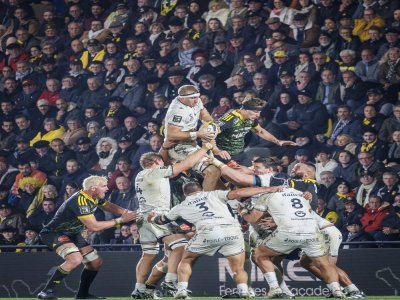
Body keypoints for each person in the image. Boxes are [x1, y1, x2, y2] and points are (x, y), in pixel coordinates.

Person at [147, 182, 282, 299]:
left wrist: (152, 218)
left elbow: (161, 220)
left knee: (187, 259)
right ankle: (244, 291)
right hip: (232, 231)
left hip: (207, 231)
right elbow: (239, 192)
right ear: (201, 190)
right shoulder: (214, 194)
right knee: (238, 267)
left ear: (185, 194)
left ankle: (181, 290)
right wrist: (268, 189)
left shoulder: (180, 206)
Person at [37, 175, 137, 300]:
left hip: (73, 233)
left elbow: (107, 205)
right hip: (54, 233)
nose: (107, 188)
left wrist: (125, 212)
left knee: (95, 262)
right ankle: (46, 292)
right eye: (104, 186)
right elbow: (94, 227)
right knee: (75, 259)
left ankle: (82, 295)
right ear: (93, 188)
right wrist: (121, 219)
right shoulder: (80, 200)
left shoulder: (93, 196)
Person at [131, 145, 212, 299]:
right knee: (181, 246)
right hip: (156, 216)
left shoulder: (140, 175)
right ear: (156, 161)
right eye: (163, 163)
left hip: (143, 218)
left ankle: (139, 289)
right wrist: (205, 148)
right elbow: (185, 165)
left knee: (148, 254)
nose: (166, 165)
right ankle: (170, 281)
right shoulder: (154, 173)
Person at [240, 187, 346, 298]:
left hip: (290, 232)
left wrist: (242, 213)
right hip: (312, 231)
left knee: (259, 255)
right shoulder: (300, 193)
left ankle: (275, 289)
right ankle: (337, 291)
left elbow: (253, 218)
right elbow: (307, 210)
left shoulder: (267, 195)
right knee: (325, 264)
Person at [163, 84, 221, 190]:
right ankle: (207, 202)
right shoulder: (177, 111)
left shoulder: (196, 100)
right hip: (178, 147)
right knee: (212, 171)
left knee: (217, 171)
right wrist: (197, 134)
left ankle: (230, 202)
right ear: (182, 98)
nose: (196, 100)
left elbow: (204, 114)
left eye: (197, 97)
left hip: (192, 142)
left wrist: (212, 124)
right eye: (193, 98)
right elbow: (171, 135)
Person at [215, 96, 296, 165]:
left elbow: (260, 131)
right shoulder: (230, 118)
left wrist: (278, 141)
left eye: (259, 112)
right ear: (246, 109)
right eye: (255, 112)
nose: (258, 115)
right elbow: (208, 134)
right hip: (223, 154)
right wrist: (218, 150)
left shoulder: (251, 118)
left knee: (248, 174)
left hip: (238, 153)